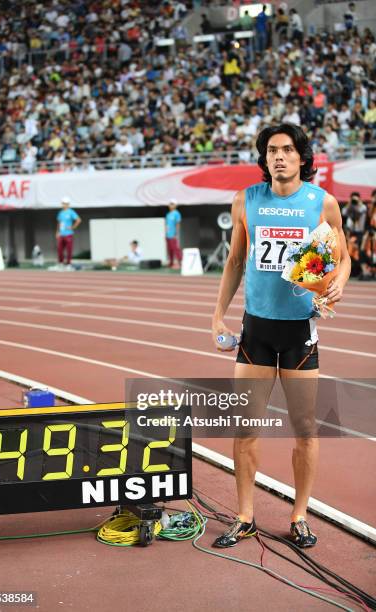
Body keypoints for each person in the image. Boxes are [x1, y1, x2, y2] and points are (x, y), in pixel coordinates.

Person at [211, 123, 351, 548]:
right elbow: (236, 260)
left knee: (305, 428)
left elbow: (341, 255)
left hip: (299, 333)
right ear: (264, 157)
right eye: (272, 150)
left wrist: (339, 283)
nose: (279, 156)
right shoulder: (246, 200)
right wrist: (218, 315)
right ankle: (245, 515)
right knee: (245, 428)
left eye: (288, 150)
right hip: (256, 329)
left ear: (302, 158)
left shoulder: (322, 203)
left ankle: (300, 514)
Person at [56, 196, 82, 269]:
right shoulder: (60, 213)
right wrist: (57, 232)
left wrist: (72, 227)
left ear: (68, 204)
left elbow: (78, 220)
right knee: (59, 249)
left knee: (69, 250)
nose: (64, 205)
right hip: (61, 234)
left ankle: (68, 264)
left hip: (68, 234)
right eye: (63, 203)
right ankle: (60, 263)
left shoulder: (71, 212)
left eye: (65, 203)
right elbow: (59, 223)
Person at [165, 199, 182, 269]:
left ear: (175, 205)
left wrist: (176, 233)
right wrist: (165, 232)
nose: (171, 205)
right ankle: (171, 262)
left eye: (172, 204)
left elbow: (178, 224)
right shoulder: (168, 214)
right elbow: (167, 224)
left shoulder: (177, 213)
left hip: (173, 234)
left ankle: (180, 262)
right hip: (168, 234)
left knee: (175, 249)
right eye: (170, 204)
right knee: (169, 249)